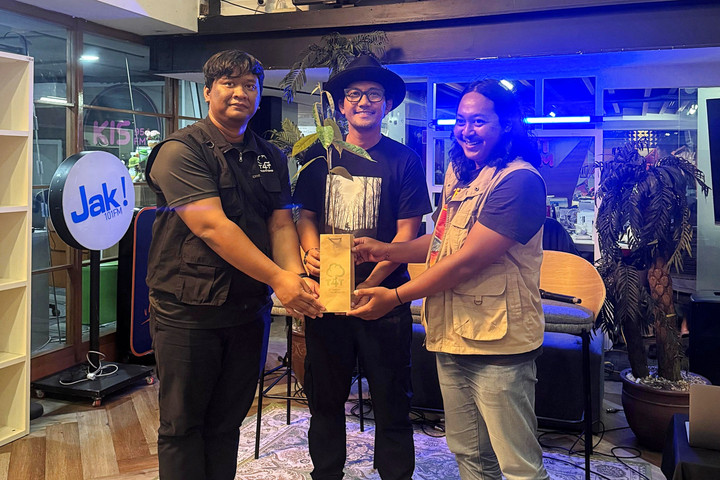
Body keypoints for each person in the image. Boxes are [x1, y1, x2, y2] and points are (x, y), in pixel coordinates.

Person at [350, 79, 551, 480]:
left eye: (479, 121)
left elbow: (465, 262)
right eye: (461, 120)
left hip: (498, 344)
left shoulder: (519, 181)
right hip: (454, 335)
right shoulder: (462, 175)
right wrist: (386, 250)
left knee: (518, 466)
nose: (466, 131)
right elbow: (442, 243)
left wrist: (395, 296)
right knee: (469, 453)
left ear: (506, 125)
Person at [145, 50, 324, 480]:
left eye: (249, 85)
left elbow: (280, 223)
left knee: (227, 423)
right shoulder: (180, 151)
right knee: (183, 425)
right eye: (229, 83)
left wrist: (296, 281)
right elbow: (212, 227)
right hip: (188, 311)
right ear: (208, 91)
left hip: (247, 310)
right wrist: (279, 278)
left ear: (259, 96)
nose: (240, 92)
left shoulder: (269, 156)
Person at [293, 54, 432, 480]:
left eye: (374, 94)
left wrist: (371, 284)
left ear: (386, 105)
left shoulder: (404, 160)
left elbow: (407, 234)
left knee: (392, 399)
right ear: (341, 105)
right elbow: (306, 216)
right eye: (354, 94)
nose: (363, 101)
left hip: (384, 299)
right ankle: (326, 473)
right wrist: (309, 252)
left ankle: (395, 474)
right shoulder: (319, 157)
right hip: (326, 298)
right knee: (325, 398)